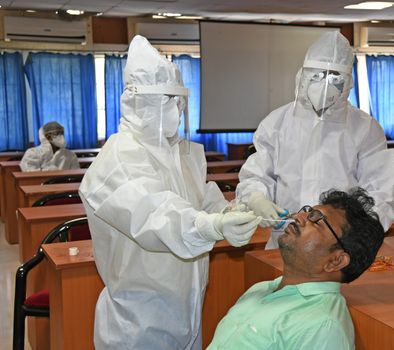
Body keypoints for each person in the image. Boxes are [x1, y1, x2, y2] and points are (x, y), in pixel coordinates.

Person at [78, 35, 261, 350]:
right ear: (139, 100)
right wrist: (211, 227)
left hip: (187, 305)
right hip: (138, 320)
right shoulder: (118, 158)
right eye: (167, 99)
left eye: (179, 100)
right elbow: (154, 216)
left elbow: (201, 201)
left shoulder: (183, 153)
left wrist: (234, 211)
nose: (177, 109)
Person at [236, 31, 394, 248]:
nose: (325, 85)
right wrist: (256, 199)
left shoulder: (365, 128)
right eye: (317, 76)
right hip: (286, 239)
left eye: (335, 79)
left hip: (340, 245)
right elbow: (256, 175)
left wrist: (355, 237)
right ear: (303, 76)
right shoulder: (277, 123)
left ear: (347, 83)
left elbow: (379, 194)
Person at [207, 188, 385, 350]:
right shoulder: (261, 289)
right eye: (307, 212)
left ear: (336, 261)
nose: (297, 216)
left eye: (316, 220)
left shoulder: (322, 327)